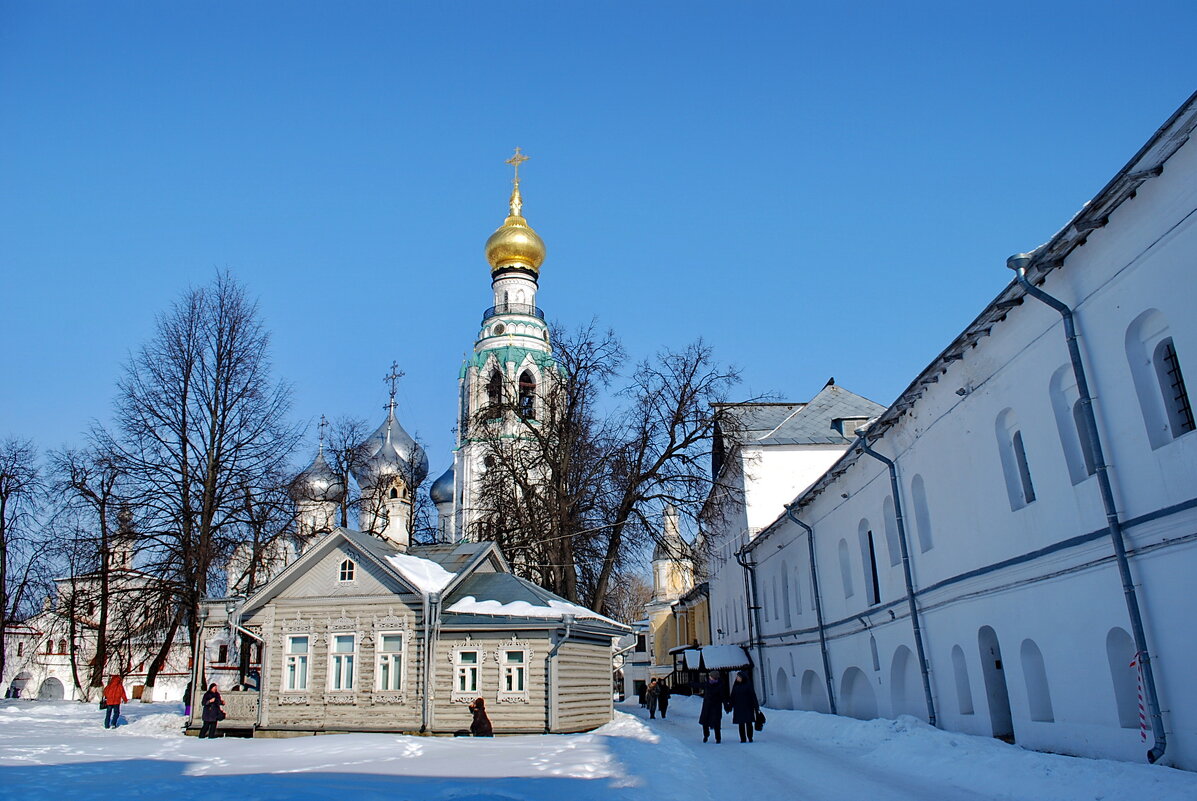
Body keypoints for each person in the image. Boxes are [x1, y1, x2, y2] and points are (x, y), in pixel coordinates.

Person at [729, 670, 761, 743]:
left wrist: (756, 707)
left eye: (738, 677)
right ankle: (743, 738)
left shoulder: (748, 685)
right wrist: (730, 706)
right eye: (737, 677)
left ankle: (750, 737)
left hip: (748, 707)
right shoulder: (736, 686)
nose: (737, 678)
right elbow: (732, 696)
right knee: (741, 724)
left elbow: (753, 696)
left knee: (748, 723)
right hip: (739, 707)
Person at [698, 670, 727, 743]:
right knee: (705, 722)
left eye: (710, 676)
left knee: (716, 723)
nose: (709, 677)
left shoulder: (720, 685)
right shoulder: (707, 684)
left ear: (714, 677)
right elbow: (699, 685)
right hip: (707, 706)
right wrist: (691, 684)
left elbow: (723, 696)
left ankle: (718, 738)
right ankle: (706, 735)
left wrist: (725, 704)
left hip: (716, 706)